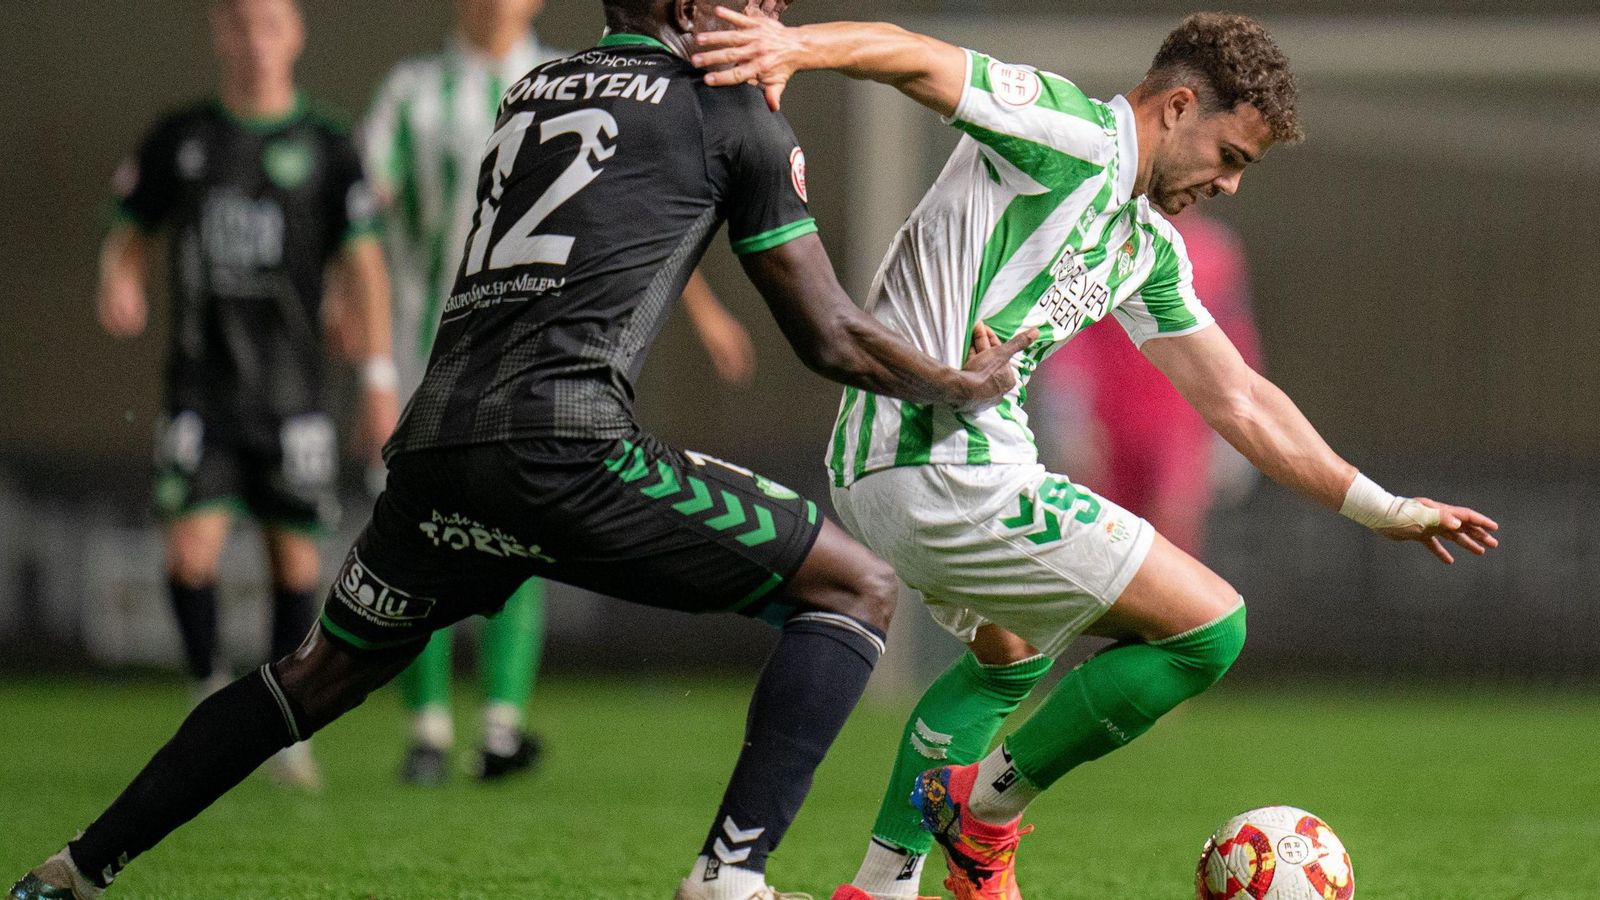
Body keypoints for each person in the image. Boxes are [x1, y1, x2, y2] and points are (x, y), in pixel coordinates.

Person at [7, 1, 1035, 898]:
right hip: (565, 449)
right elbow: (829, 335)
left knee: (314, 676)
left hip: (435, 454)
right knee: (852, 591)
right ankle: (731, 875)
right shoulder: (731, 114)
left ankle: (74, 870)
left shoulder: (535, 91)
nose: (773, 18)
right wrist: (962, 383)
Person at [692, 11, 1501, 899]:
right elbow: (921, 60)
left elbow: (1238, 397)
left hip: (899, 465)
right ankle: (984, 808)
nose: (1230, 186)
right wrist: (790, 47)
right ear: (1180, 105)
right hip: (942, 464)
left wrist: (1382, 507)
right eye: (1231, 156)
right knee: (1208, 630)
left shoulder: (1145, 245)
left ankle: (882, 884)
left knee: (1009, 662)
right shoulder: (1073, 136)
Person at [360, 0, 761, 785]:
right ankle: (428, 730)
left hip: (534, 346)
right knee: (418, 531)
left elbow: (627, 220)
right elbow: (361, 220)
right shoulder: (411, 93)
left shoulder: (572, 79)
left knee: (517, 522)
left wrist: (708, 314)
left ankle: (500, 725)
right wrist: (359, 331)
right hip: (427, 345)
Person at [92, 0, 397, 793]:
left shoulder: (329, 145)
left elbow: (364, 265)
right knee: (188, 553)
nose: (255, 40)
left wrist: (375, 376)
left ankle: (279, 728)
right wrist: (118, 279)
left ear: (295, 35)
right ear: (219, 35)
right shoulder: (182, 137)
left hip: (294, 394)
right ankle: (205, 698)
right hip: (202, 390)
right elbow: (129, 224)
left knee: (292, 560)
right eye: (239, 24)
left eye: (269, 24)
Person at [1034, 208, 1263, 557]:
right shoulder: (1106, 241)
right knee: (1100, 546)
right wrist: (1069, 416)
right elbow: (1074, 334)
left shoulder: (1217, 253)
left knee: (1172, 550)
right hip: (1108, 425)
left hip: (1180, 431)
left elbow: (1236, 339)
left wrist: (1234, 440)